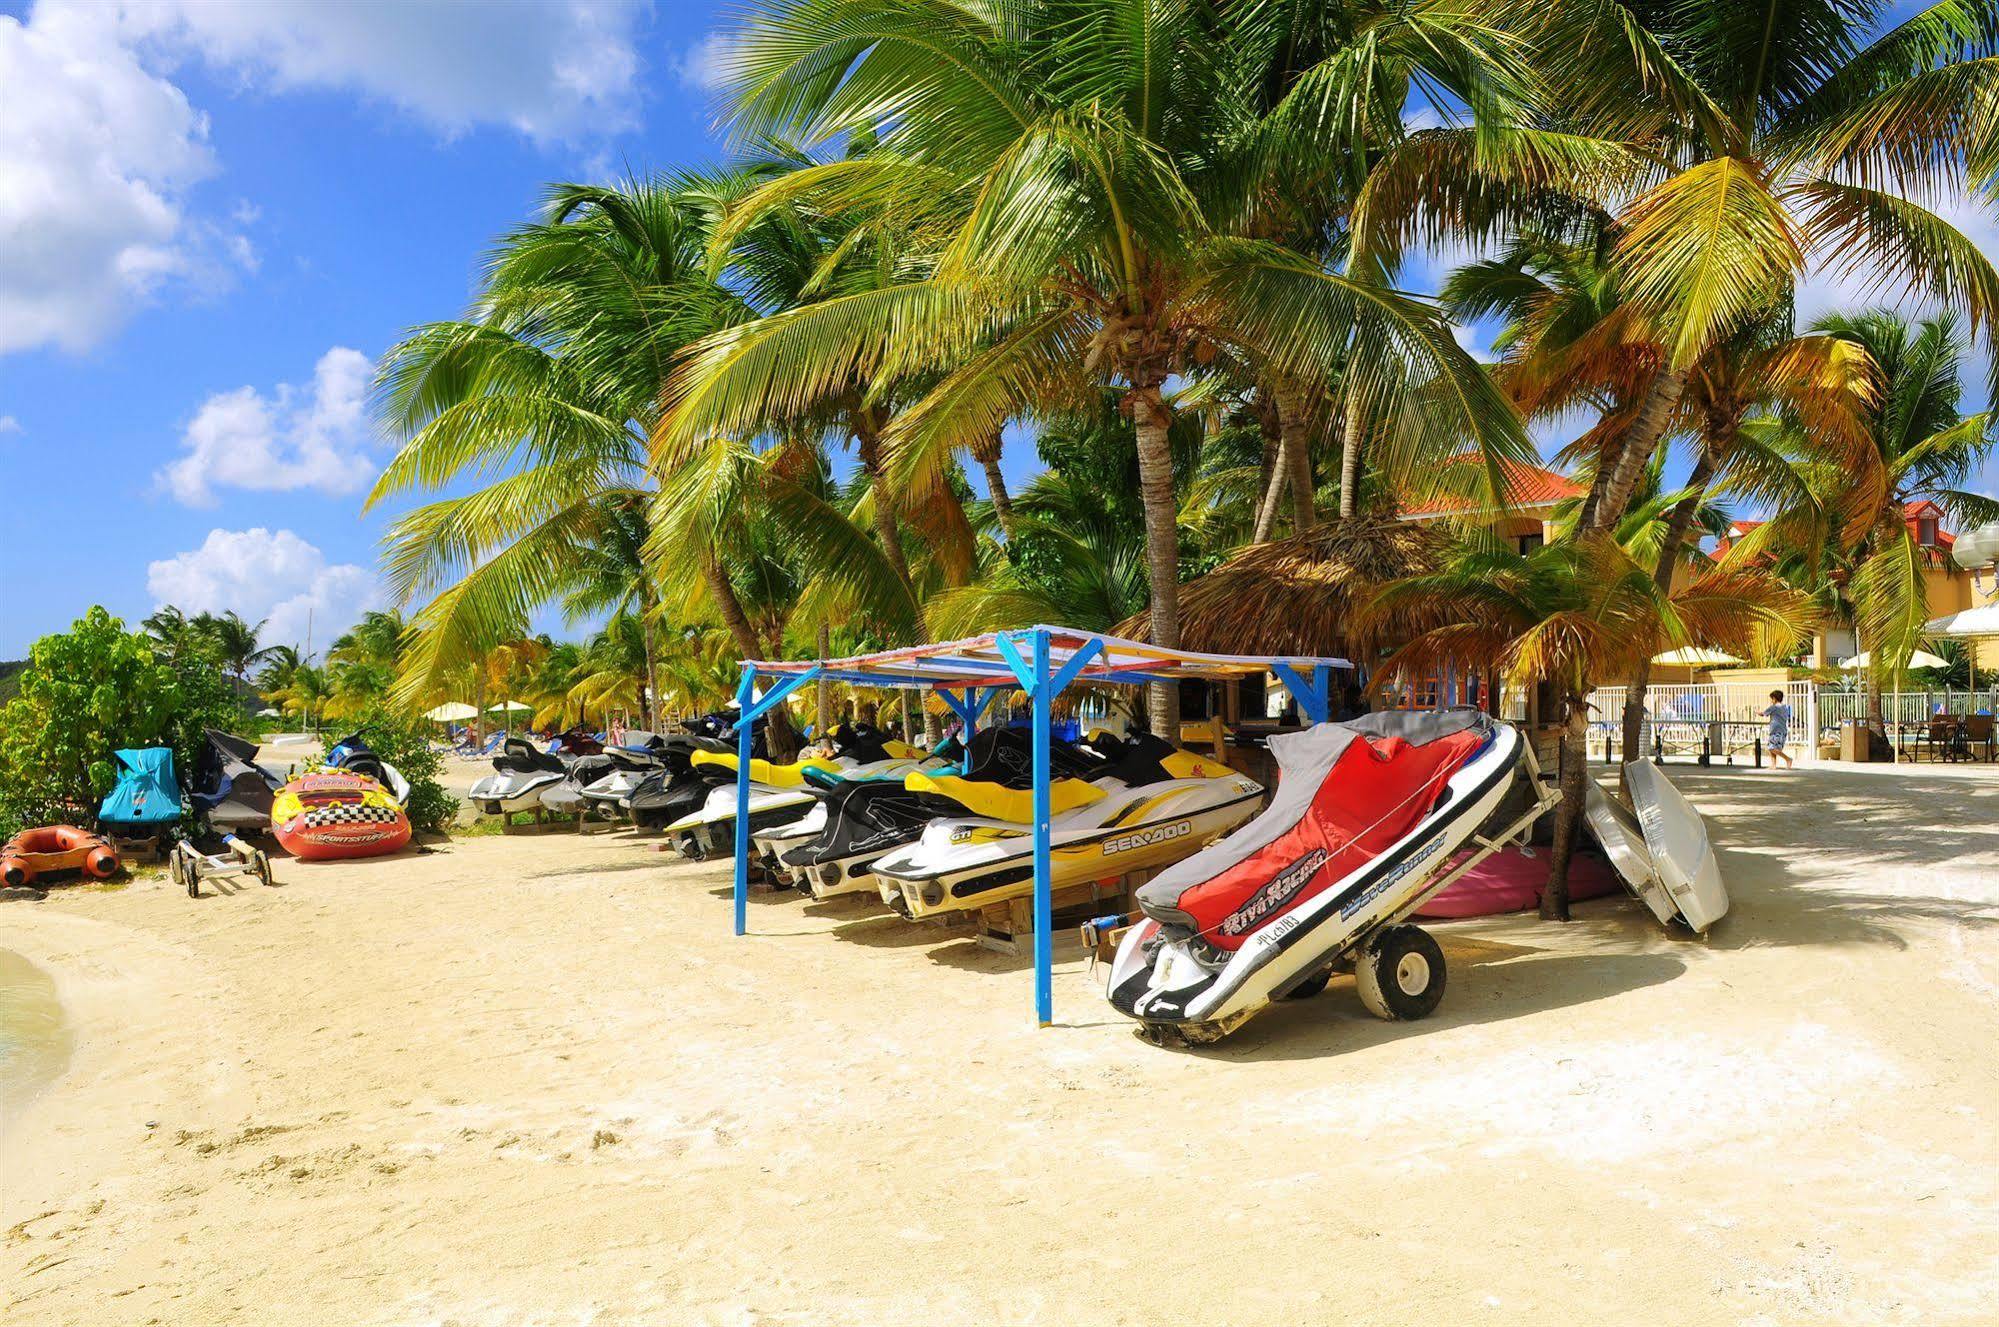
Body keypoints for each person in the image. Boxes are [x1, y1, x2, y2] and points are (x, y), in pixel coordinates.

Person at [1760, 689, 1795, 769]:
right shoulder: (1784, 707)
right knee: (1772, 747)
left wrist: (1757, 712)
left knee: (1772, 748)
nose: (1771, 701)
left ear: (1774, 698)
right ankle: (1773, 765)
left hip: (1776, 731)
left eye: (1772, 699)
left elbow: (1764, 713)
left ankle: (1788, 759)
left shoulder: (1774, 707)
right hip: (1781, 730)